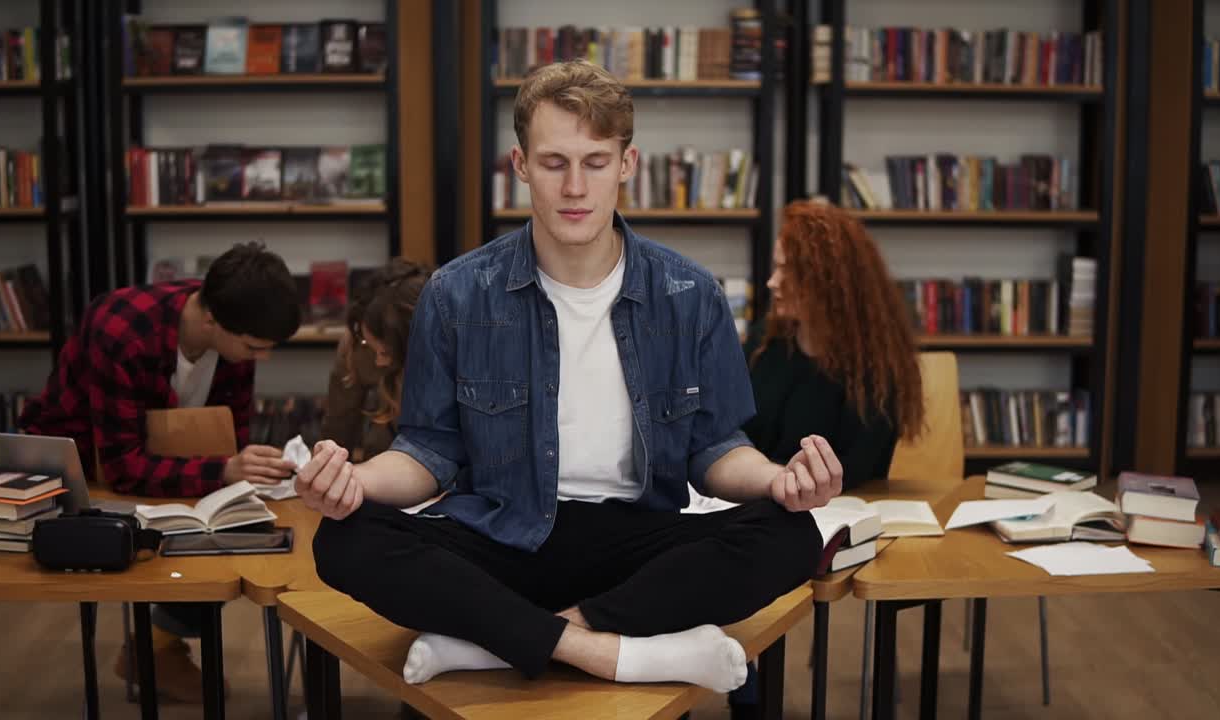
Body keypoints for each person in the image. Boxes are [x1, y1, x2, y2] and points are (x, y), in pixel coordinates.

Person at [298, 60, 842, 693]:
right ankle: (614, 649)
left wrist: (779, 480)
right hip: (502, 535)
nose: (576, 187)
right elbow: (429, 451)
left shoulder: (691, 294)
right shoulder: (456, 293)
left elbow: (715, 448)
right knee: (344, 539)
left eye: (596, 162)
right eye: (554, 163)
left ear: (627, 164)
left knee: (789, 533)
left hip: (635, 539)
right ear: (521, 164)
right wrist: (352, 483)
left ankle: (506, 639)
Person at [19, 241, 303, 703]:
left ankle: (156, 646)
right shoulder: (121, 330)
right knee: (196, 530)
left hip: (162, 464)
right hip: (78, 472)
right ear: (211, 320)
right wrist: (225, 469)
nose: (261, 358)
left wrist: (240, 467)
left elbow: (226, 440)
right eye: (254, 347)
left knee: (239, 525)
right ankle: (154, 651)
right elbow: (120, 467)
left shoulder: (233, 329)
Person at [745, 200, 924, 489]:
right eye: (776, 267)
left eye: (788, 271)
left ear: (827, 282)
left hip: (838, 504)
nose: (772, 282)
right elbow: (732, 435)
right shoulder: (764, 341)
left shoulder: (875, 368)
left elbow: (857, 470)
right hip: (757, 493)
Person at [321, 258, 433, 462]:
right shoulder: (357, 343)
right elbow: (339, 426)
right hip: (385, 451)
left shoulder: (457, 352)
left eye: (388, 352)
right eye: (370, 345)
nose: (379, 362)